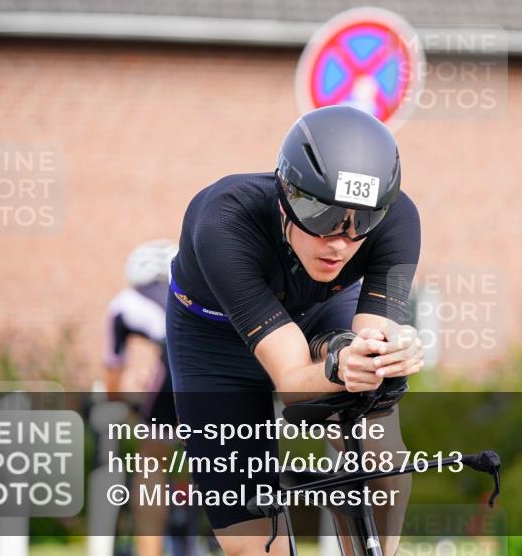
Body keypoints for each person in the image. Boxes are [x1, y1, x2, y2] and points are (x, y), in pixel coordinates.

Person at [167, 105, 424, 556]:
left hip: (318, 312)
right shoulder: (224, 220)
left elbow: (372, 341)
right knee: (255, 542)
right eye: (323, 218)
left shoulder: (399, 220)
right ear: (287, 196)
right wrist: (341, 368)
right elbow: (292, 381)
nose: (340, 242)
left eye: (361, 221)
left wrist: (384, 357)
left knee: (381, 458)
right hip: (214, 342)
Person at [104, 239, 180, 556]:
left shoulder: (124, 302)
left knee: (151, 460)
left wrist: (119, 405)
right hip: (213, 374)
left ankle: (150, 551)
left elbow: (112, 369)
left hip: (171, 372)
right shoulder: (192, 294)